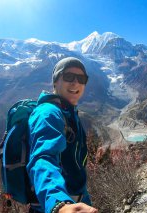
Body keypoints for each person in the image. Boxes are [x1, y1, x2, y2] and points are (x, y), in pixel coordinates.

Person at [27, 57, 98, 213]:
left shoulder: (68, 112)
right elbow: (43, 158)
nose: (75, 83)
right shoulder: (48, 113)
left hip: (78, 199)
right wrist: (59, 205)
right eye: (68, 77)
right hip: (58, 205)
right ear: (55, 81)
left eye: (81, 78)